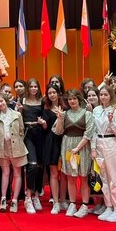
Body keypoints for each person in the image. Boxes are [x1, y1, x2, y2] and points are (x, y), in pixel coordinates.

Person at [53, 89, 94, 218]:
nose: (72, 101)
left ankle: (85, 205)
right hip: (68, 147)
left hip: (83, 147)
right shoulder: (64, 114)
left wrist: (78, 147)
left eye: (74, 98)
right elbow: (58, 131)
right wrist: (59, 118)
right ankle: (72, 203)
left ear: (79, 99)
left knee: (83, 177)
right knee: (70, 177)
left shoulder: (87, 114)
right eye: (70, 99)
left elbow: (89, 133)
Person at [92, 86, 116, 222]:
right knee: (104, 178)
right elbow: (94, 130)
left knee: (115, 177)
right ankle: (109, 206)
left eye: (106, 94)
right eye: (101, 94)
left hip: (111, 142)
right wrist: (93, 148)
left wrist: (111, 121)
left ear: (111, 95)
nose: (103, 97)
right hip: (99, 143)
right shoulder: (96, 110)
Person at [0, 94, 27, 213]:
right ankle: (3, 198)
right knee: (5, 172)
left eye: (1, 101)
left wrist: (17, 141)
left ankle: (15, 200)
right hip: (2, 147)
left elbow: (21, 130)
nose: (0, 104)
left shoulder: (17, 115)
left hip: (16, 146)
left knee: (17, 173)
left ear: (5, 101)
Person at [18, 77, 45, 214]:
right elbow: (18, 118)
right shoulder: (22, 100)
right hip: (28, 133)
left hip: (40, 133)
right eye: (31, 86)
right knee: (32, 165)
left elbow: (46, 117)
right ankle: (28, 197)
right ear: (27, 88)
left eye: (35, 86)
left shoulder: (42, 101)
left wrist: (43, 123)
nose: (33, 89)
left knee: (40, 166)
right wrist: (19, 111)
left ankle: (36, 196)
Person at [41, 82, 63, 214]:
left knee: (65, 173)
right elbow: (45, 128)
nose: (52, 95)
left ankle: (65, 200)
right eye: (49, 93)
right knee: (54, 172)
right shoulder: (45, 109)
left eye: (54, 92)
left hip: (65, 140)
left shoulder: (65, 107)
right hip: (51, 141)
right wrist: (43, 124)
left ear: (58, 93)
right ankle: (55, 202)